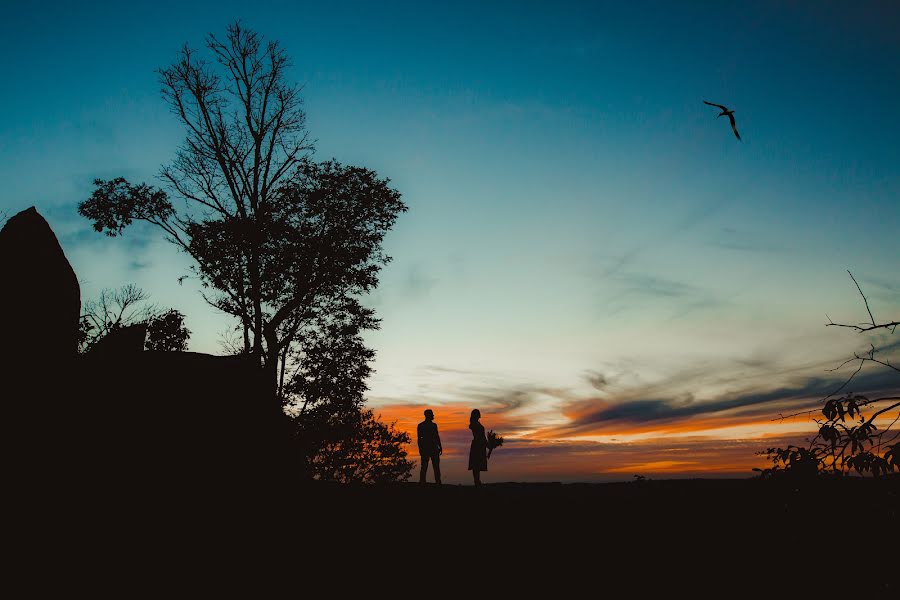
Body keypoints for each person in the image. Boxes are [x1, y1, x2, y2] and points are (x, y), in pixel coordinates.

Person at [417, 409, 442, 484]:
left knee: (434, 466)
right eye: (432, 414)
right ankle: (423, 481)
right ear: (428, 415)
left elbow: (437, 436)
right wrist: (420, 449)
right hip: (428, 448)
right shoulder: (422, 425)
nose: (433, 416)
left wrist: (440, 446)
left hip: (432, 448)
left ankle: (436, 481)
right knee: (426, 466)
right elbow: (419, 438)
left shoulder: (432, 425)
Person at [468, 409, 488, 486]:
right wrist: (486, 444)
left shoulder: (475, 424)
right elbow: (481, 436)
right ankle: (476, 481)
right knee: (476, 463)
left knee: (477, 463)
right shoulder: (475, 425)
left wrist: (487, 444)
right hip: (478, 445)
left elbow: (483, 436)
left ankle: (477, 480)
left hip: (479, 444)